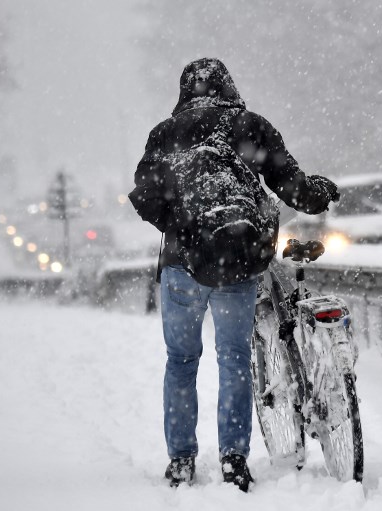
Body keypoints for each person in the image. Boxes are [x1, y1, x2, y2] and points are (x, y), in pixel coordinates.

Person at [128, 57, 338, 492]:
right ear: (228, 86)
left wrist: (181, 224)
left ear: (185, 91)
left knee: (182, 362)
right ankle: (233, 460)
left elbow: (144, 195)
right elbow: (292, 186)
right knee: (234, 360)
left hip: (181, 265)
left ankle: (182, 460)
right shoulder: (249, 126)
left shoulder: (165, 135)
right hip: (238, 262)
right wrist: (320, 194)